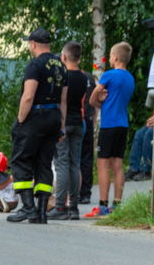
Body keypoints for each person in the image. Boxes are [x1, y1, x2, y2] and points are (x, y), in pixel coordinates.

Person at [7, 28, 67, 224]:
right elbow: (64, 100)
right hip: (54, 117)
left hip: (35, 116)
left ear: (33, 44)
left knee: (20, 159)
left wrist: (20, 121)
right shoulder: (61, 65)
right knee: (44, 162)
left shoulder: (35, 65)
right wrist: (62, 126)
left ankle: (28, 208)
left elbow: (28, 95)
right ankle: (41, 211)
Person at [84, 41, 134, 218]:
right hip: (123, 124)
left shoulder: (109, 75)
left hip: (109, 124)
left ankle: (103, 205)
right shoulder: (130, 77)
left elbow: (92, 99)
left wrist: (99, 100)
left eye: (111, 56)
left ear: (115, 57)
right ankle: (117, 205)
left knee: (103, 164)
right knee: (118, 164)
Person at [48, 41, 88, 220]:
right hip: (78, 123)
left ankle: (60, 206)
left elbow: (59, 100)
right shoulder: (84, 77)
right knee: (74, 163)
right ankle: (74, 207)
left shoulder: (63, 76)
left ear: (63, 57)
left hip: (64, 122)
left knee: (61, 163)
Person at [78, 70, 97, 205]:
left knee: (72, 159)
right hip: (88, 120)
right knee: (87, 158)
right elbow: (94, 104)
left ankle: (73, 193)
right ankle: (85, 193)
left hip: (75, 120)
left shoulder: (68, 75)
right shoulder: (89, 77)